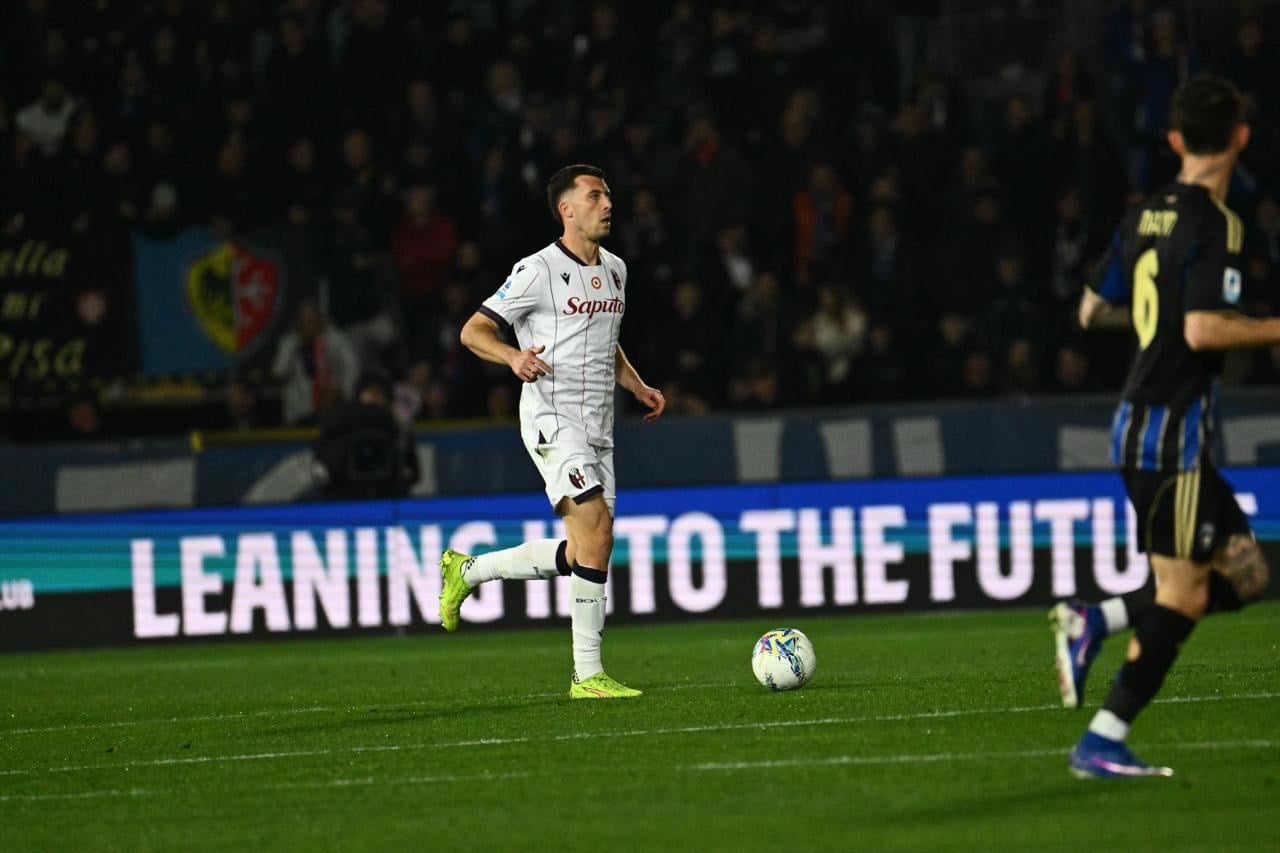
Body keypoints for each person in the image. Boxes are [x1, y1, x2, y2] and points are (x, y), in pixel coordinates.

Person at [1054, 76, 1274, 779]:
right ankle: (1103, 738)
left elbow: (1091, 311)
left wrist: (1158, 320)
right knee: (1185, 593)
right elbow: (1204, 330)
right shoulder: (1218, 224)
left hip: (1147, 421)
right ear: (1240, 137)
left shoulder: (1143, 214)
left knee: (1246, 575)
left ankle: (1099, 619)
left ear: (1176, 139)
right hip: (1169, 432)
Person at [439, 164, 666, 699]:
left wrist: (636, 385)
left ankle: (469, 571)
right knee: (596, 527)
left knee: (590, 546)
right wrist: (512, 357)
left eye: (608, 196)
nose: (607, 205)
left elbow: (604, 339)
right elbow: (473, 330)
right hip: (551, 419)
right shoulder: (536, 270)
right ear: (566, 209)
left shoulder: (616, 270)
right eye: (594, 196)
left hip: (599, 427)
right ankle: (587, 676)